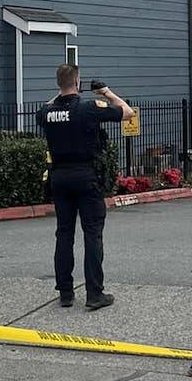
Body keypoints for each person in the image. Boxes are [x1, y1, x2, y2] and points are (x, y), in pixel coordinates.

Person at [36, 63, 135, 310]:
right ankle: (94, 293)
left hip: (59, 177)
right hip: (85, 175)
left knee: (64, 234)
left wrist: (62, 91)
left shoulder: (46, 112)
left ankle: (66, 293)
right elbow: (127, 112)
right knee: (92, 233)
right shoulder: (88, 108)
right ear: (78, 82)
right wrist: (106, 92)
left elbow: (50, 105)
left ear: (58, 84)